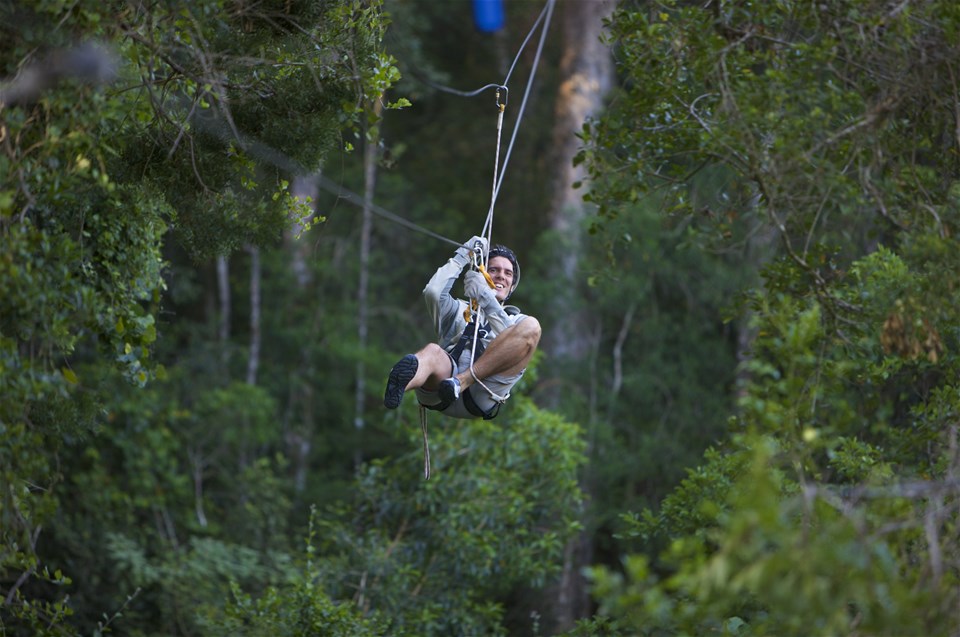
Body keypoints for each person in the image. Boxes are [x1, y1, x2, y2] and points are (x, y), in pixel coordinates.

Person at [383, 236, 541, 419]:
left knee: (532, 326)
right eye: (493, 269)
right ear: (481, 273)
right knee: (433, 351)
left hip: (484, 391)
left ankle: (461, 381)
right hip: (442, 387)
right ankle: (399, 383)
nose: (501, 276)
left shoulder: (517, 320)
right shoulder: (458, 309)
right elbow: (433, 293)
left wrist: (487, 299)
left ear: (512, 285)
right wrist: (462, 256)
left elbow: (514, 341)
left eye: (508, 273)